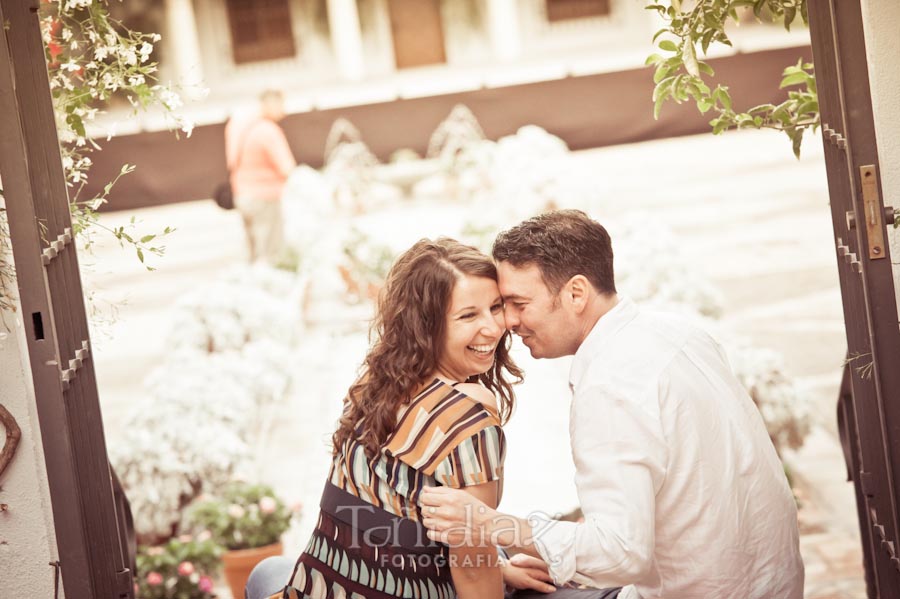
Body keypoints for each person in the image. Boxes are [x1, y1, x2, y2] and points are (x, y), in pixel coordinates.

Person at [420, 210, 804, 599]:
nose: (509, 322)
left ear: (576, 293)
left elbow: (621, 554)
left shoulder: (610, 387)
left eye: (518, 303)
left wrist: (491, 524)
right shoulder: (679, 333)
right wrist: (555, 552)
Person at [246, 238, 565, 599]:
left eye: (495, 307)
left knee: (267, 570)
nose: (493, 328)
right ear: (426, 326)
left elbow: (385, 515)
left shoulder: (376, 385)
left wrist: (500, 566)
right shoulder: (467, 422)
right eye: (468, 315)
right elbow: (473, 571)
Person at [225, 89, 296, 263]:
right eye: (281, 105)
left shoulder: (235, 125)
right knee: (270, 253)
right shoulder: (268, 130)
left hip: (241, 194)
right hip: (265, 197)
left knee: (254, 252)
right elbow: (287, 167)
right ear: (269, 103)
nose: (284, 111)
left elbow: (230, 161)